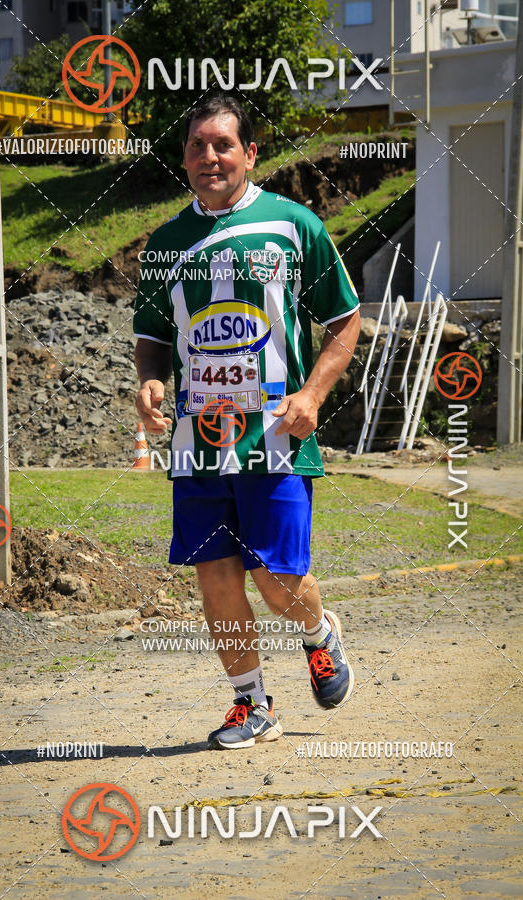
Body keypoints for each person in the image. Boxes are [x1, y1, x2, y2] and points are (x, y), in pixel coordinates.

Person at [133, 94, 360, 750]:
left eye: (223, 144)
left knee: (278, 580)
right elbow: (151, 334)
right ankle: (251, 703)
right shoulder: (166, 244)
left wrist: (313, 396)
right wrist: (150, 378)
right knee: (217, 577)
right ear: (184, 156)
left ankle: (320, 636)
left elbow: (344, 320)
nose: (209, 156)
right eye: (197, 145)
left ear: (250, 154)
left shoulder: (293, 226)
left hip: (275, 439)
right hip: (198, 445)